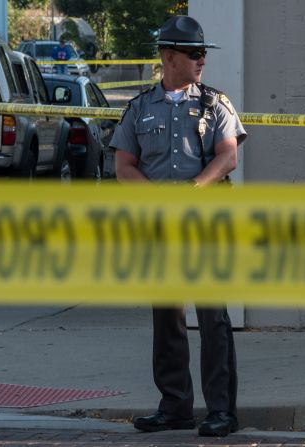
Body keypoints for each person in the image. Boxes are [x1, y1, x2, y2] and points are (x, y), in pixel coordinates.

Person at [109, 15, 246, 437]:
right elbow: (123, 166)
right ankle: (175, 406)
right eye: (193, 53)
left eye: (203, 53)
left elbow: (228, 157)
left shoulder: (215, 104)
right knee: (167, 316)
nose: (201, 59)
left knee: (212, 316)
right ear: (168, 56)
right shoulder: (139, 108)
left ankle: (221, 410)